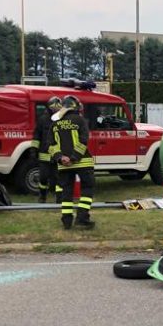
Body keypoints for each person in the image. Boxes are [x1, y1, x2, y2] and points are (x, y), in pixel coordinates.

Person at [51, 95, 96, 229]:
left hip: (63, 165)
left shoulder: (55, 123)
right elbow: (83, 141)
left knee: (66, 192)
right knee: (87, 189)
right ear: (75, 106)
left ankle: (66, 221)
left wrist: (61, 157)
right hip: (82, 162)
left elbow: (51, 145)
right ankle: (82, 218)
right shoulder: (80, 121)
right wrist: (73, 157)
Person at [32, 96, 62, 203]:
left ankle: (58, 198)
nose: (55, 110)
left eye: (57, 108)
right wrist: (34, 149)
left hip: (58, 155)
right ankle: (42, 196)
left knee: (58, 178)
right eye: (53, 108)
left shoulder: (62, 119)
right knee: (43, 178)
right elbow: (37, 135)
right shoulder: (43, 119)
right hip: (44, 154)